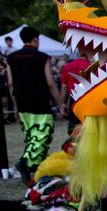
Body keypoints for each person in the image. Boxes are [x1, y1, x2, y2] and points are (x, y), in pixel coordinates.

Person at [7, 26, 65, 184]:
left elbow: (11, 83)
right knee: (42, 134)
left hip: (22, 103)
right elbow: (51, 83)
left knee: (31, 137)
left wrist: (15, 106)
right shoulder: (42, 57)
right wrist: (60, 104)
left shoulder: (11, 58)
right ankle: (25, 164)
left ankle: (36, 167)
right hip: (39, 102)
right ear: (35, 39)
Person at [60, 53, 91, 135]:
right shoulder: (91, 66)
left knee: (73, 126)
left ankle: (73, 144)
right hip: (88, 100)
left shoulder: (67, 66)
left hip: (73, 99)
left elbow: (64, 87)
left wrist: (63, 104)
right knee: (87, 126)